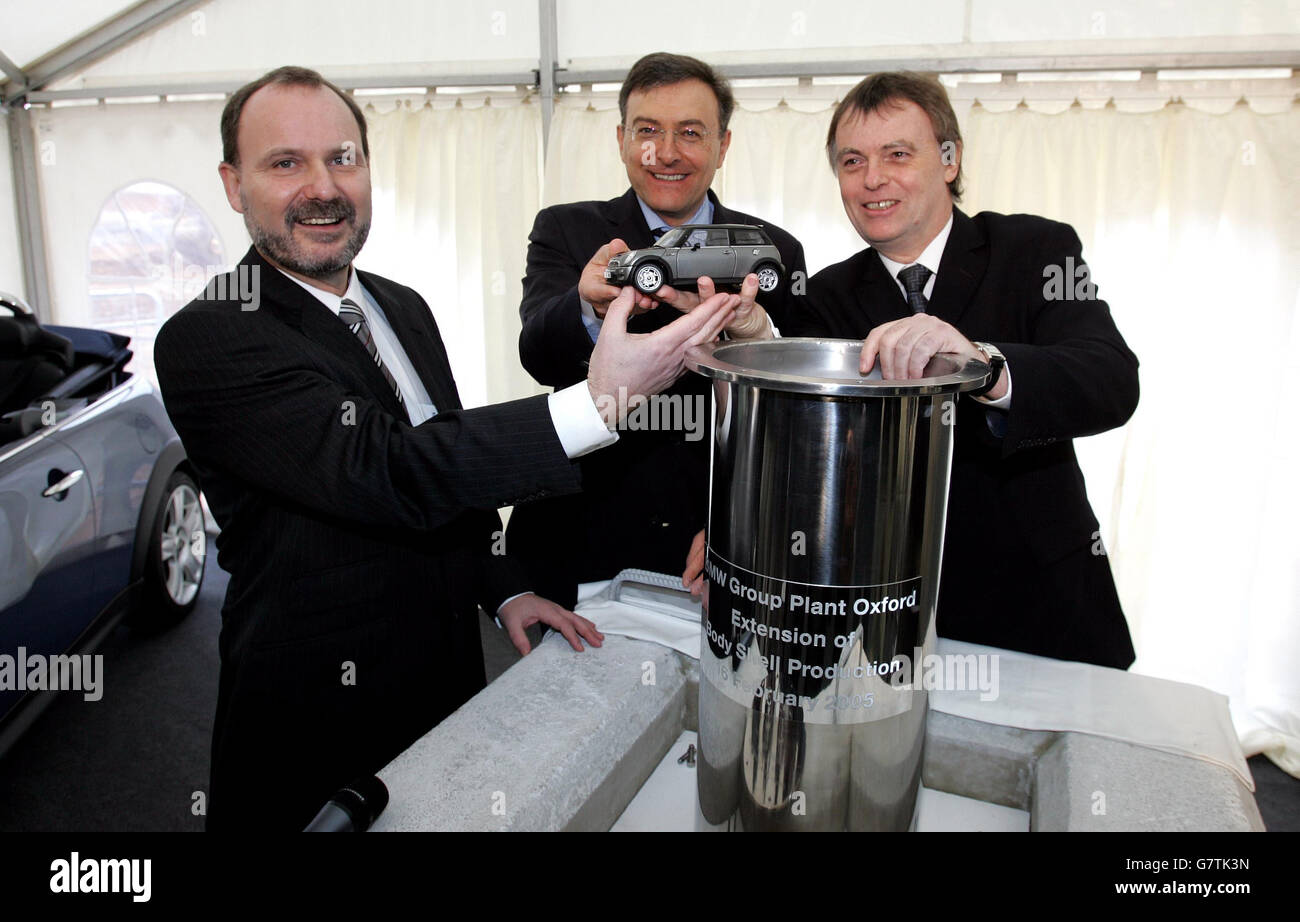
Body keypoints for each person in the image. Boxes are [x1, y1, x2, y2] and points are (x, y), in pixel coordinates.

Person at [153, 66, 739, 830]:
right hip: (314, 712)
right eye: (285, 163)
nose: (323, 188)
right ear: (234, 185)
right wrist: (599, 404)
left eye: (343, 158)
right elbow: (387, 469)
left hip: (449, 681)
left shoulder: (402, 305)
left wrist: (501, 585)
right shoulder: (209, 336)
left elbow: (445, 467)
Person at [685, 72, 1139, 669]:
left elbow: (1110, 379)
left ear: (949, 160)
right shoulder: (826, 297)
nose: (873, 179)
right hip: (883, 627)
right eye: (853, 161)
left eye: (897, 154)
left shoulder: (1035, 251)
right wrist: (749, 342)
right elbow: (794, 455)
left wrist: (983, 364)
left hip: (1042, 613)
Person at [509, 52, 807, 608]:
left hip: (718, 552)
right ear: (622, 139)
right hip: (584, 546)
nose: (666, 153)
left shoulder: (775, 250)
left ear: (723, 146)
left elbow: (791, 418)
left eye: (691, 133)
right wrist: (590, 309)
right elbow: (538, 353)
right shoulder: (568, 229)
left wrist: (740, 527)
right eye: (648, 131)